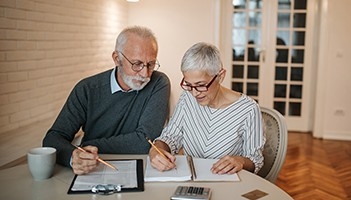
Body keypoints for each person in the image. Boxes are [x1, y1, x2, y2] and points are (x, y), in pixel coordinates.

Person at [43, 26, 171, 175]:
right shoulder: (87, 89)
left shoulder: (158, 82)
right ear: (117, 59)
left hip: (141, 169)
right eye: (137, 64)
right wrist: (74, 157)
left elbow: (145, 141)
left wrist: (88, 145)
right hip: (94, 170)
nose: (145, 73)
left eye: (151, 64)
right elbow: (53, 139)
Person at [149, 42, 265, 175]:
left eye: (201, 85)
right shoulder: (187, 97)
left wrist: (241, 161)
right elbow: (171, 136)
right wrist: (156, 148)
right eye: (188, 84)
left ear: (220, 76)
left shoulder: (248, 109)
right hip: (190, 179)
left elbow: (255, 159)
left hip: (227, 182)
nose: (195, 93)